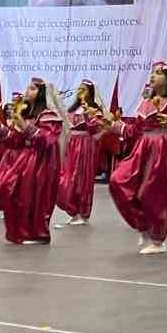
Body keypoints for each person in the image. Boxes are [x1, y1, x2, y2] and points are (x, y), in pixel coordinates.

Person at [109, 62, 167, 254]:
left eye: (158, 73)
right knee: (119, 181)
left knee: (153, 194)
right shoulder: (146, 103)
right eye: (152, 73)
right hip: (142, 150)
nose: (153, 76)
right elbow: (135, 131)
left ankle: (157, 239)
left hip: (163, 153)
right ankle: (143, 225)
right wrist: (114, 125)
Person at [0, 77, 65, 245]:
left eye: (33, 89)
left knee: (36, 197)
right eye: (28, 88)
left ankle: (36, 233)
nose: (27, 91)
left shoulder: (49, 116)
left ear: (42, 93)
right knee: (12, 192)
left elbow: (47, 140)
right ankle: (21, 230)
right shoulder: (26, 115)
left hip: (41, 162)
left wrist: (25, 127)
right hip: (23, 160)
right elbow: (14, 141)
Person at [58, 79, 107, 225]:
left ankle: (82, 212)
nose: (80, 92)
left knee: (81, 178)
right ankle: (73, 210)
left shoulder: (93, 109)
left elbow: (97, 129)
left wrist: (88, 113)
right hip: (72, 143)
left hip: (85, 144)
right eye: (79, 89)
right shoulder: (72, 109)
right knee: (68, 177)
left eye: (84, 89)